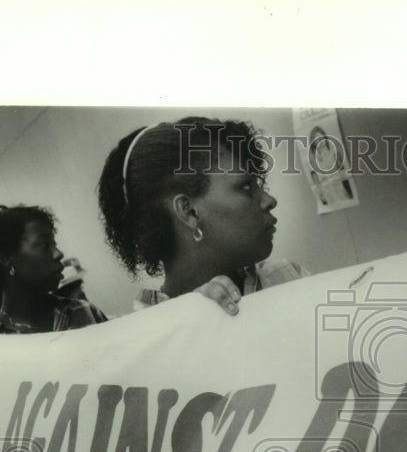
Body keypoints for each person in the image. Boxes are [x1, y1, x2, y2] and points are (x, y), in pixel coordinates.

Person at [97, 116, 308, 313]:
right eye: (245, 187)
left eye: (258, 184)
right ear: (189, 212)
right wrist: (196, 320)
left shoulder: (285, 277)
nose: (270, 201)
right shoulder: (147, 329)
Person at [0, 205, 108, 334]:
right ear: (6, 258)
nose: (59, 254)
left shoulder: (85, 313)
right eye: (44, 245)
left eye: (54, 244)